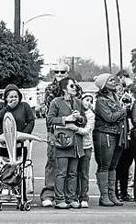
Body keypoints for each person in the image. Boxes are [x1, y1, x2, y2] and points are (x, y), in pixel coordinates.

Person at [47, 77, 86, 209]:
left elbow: (84, 120)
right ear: (64, 88)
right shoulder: (56, 102)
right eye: (71, 86)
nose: (74, 88)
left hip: (76, 142)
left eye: (74, 86)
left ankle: (71, 198)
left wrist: (79, 118)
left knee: (73, 173)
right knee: (61, 172)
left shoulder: (78, 102)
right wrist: (66, 119)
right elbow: (50, 119)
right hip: (62, 141)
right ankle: (59, 199)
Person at [93, 73, 126, 207]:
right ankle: (104, 196)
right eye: (110, 80)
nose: (114, 82)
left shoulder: (116, 97)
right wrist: (123, 111)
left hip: (117, 134)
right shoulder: (101, 101)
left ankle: (112, 195)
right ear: (103, 84)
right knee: (104, 165)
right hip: (104, 134)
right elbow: (110, 117)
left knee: (113, 166)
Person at [40, 63, 70, 208]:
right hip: (54, 130)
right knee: (52, 162)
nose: (59, 73)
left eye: (62, 71)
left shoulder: (74, 87)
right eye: (56, 71)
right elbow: (49, 114)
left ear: (67, 72)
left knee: (70, 164)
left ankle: (68, 194)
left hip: (73, 130)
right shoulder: (50, 89)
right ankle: (48, 194)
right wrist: (50, 132)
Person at [116, 80, 136, 204]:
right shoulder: (116, 102)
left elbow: (135, 119)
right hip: (121, 135)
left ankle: (124, 192)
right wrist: (124, 107)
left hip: (133, 137)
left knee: (128, 165)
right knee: (119, 166)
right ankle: (116, 192)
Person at [76, 93, 95, 208]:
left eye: (90, 101)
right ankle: (73, 195)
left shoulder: (90, 115)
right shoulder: (75, 111)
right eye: (86, 100)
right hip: (75, 145)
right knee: (73, 172)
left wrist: (75, 129)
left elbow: (87, 130)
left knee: (84, 172)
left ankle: (83, 196)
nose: (88, 102)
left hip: (86, 146)